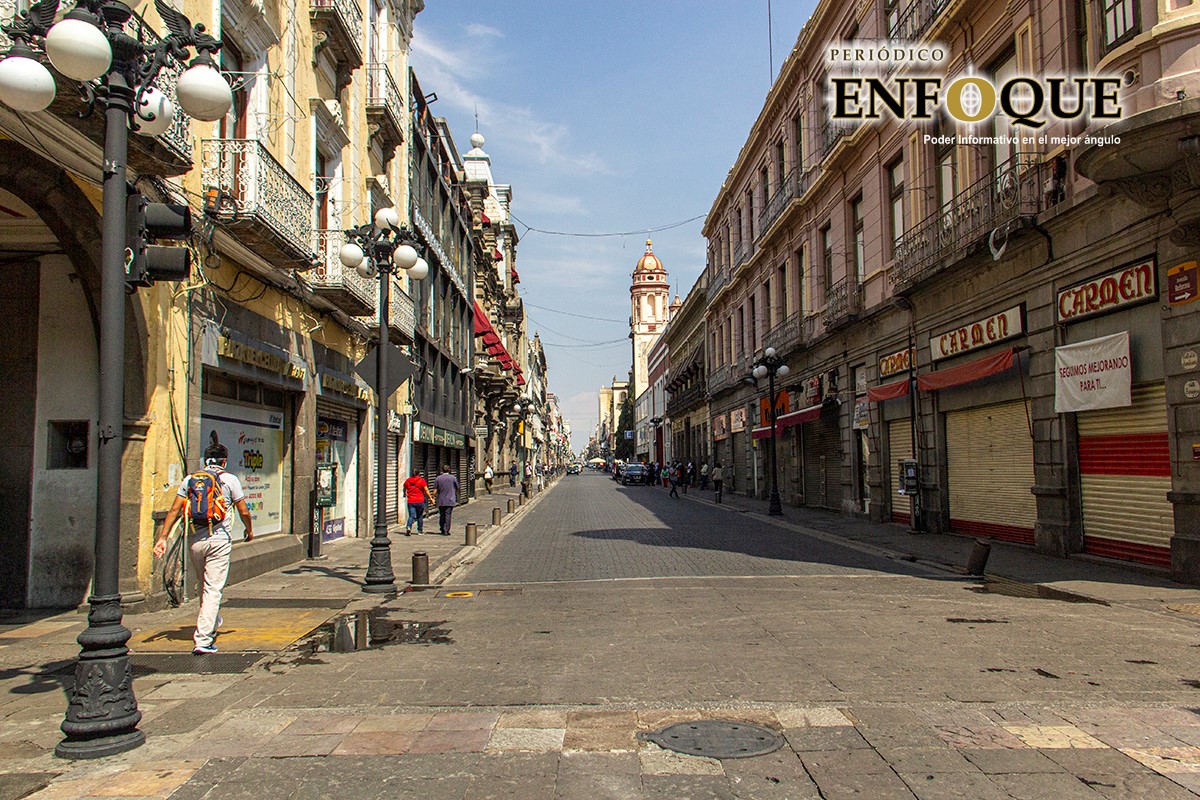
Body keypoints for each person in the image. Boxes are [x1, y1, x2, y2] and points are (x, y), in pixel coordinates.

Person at [154, 434, 253, 655]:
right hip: (218, 541)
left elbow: (174, 510)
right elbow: (243, 510)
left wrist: (163, 537)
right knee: (213, 588)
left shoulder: (190, 480)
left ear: (205, 461)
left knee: (204, 584)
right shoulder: (230, 480)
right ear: (224, 461)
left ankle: (211, 619)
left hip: (195, 540)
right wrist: (249, 528)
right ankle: (204, 640)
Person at [403, 468, 433, 535]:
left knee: (411, 516)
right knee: (419, 516)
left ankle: (408, 527)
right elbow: (426, 490)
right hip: (420, 500)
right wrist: (430, 498)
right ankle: (420, 531)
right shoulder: (421, 480)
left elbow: (404, 487)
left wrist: (404, 493)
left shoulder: (408, 480)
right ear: (419, 473)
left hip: (411, 501)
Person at [434, 464, 460, 535]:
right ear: (449, 470)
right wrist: (456, 495)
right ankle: (446, 530)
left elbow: (435, 490)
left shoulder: (438, 478)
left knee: (442, 515)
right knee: (448, 515)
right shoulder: (453, 478)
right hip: (450, 499)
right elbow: (457, 487)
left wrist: (433, 498)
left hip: (441, 500)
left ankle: (442, 528)